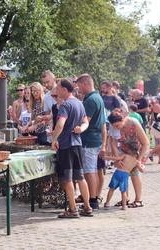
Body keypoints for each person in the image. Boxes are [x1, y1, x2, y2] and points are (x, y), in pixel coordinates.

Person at [51, 78, 92, 218]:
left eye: (57, 88)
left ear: (64, 89)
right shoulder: (79, 104)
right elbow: (86, 122)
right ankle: (87, 207)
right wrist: (81, 129)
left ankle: (73, 209)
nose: (56, 91)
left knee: (67, 179)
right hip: (77, 145)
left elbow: (60, 124)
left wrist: (54, 139)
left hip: (66, 146)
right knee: (80, 177)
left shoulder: (65, 105)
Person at [75, 74, 107, 209]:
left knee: (89, 171)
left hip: (89, 140)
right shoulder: (98, 97)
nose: (78, 88)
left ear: (86, 84)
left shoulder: (90, 100)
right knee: (93, 170)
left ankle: (92, 200)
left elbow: (85, 121)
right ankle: (92, 198)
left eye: (79, 85)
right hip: (96, 139)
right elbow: (103, 124)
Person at [108, 111, 149, 208]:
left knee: (134, 173)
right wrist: (117, 159)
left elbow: (145, 143)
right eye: (115, 126)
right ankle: (125, 199)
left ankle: (138, 200)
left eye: (118, 125)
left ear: (123, 119)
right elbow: (113, 142)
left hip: (138, 150)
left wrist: (138, 160)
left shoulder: (133, 123)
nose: (117, 128)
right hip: (124, 150)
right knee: (124, 173)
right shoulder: (113, 126)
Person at [103, 139, 145, 210]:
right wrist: (142, 166)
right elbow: (142, 170)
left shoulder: (125, 156)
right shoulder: (136, 161)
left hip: (118, 173)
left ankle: (107, 203)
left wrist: (107, 158)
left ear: (128, 150)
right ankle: (124, 206)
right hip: (125, 176)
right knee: (123, 191)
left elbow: (116, 158)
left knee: (111, 189)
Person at [146, 97, 160, 164]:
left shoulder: (155, 106)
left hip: (156, 126)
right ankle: (150, 153)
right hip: (159, 126)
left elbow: (152, 117)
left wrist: (150, 125)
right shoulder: (157, 106)